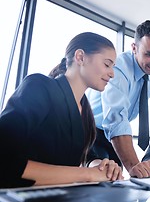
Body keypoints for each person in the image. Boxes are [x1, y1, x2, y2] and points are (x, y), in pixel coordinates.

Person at [0, 32, 123, 188]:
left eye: (113, 67)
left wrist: (98, 166)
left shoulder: (85, 111)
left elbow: (83, 155)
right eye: (107, 64)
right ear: (80, 57)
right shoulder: (39, 86)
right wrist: (87, 175)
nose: (112, 73)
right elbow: (4, 157)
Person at [86, 20, 150, 178]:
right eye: (149, 54)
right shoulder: (118, 69)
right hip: (90, 130)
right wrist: (133, 166)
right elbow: (116, 118)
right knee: (96, 179)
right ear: (134, 48)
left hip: (114, 138)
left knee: (115, 184)